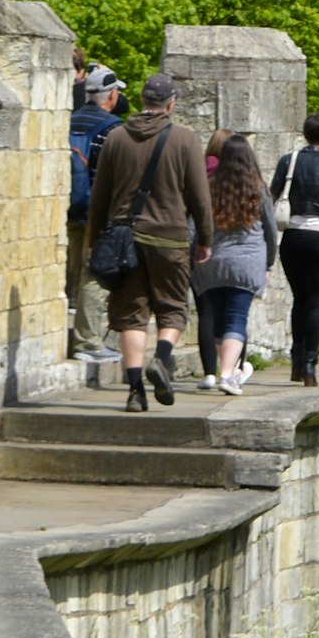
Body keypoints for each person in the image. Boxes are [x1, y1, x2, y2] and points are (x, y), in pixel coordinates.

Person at [88, 76, 211, 410]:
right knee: (172, 308)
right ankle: (163, 358)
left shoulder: (116, 137)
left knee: (131, 314)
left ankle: (134, 392)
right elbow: (200, 196)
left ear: (142, 100)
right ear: (170, 103)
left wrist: (95, 239)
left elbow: (100, 196)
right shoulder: (185, 139)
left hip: (123, 239)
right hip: (169, 238)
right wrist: (205, 238)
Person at [192, 134, 284, 392]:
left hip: (214, 263)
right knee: (236, 320)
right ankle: (227, 375)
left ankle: (229, 371)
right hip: (246, 263)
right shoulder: (258, 189)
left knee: (220, 321)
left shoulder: (209, 186)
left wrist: (194, 255)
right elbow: (270, 230)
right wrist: (268, 262)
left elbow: (194, 226)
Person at [275, 113, 319, 388]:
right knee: (315, 303)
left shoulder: (288, 161)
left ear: (305, 134)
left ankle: (295, 360)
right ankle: (309, 365)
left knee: (299, 299)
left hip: (293, 235)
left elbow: (274, 194)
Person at [64, 74, 122, 358]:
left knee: (72, 269)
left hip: (67, 207)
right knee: (93, 274)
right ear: (111, 96)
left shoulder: (69, 120)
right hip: (96, 213)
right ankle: (87, 342)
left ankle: (71, 331)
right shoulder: (112, 129)